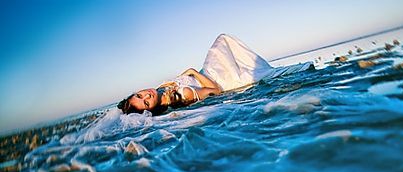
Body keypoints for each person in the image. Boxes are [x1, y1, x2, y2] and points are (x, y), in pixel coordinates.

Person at [118, 34, 313, 115]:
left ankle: (264, 69)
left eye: (139, 95)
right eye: (145, 102)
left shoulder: (162, 91)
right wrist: (193, 72)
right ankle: (267, 71)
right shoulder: (182, 96)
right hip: (216, 78)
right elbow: (216, 90)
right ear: (150, 109)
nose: (146, 96)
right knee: (224, 41)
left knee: (224, 41)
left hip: (207, 72)